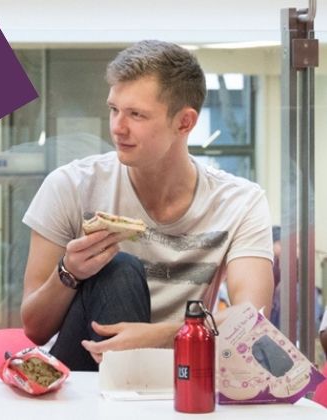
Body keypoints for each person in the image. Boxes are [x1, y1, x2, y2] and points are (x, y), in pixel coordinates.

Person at [20, 40, 274, 371]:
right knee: (118, 270)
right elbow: (35, 329)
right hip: (83, 369)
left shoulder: (240, 201)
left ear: (184, 122)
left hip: (179, 369)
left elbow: (251, 325)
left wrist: (159, 337)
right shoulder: (70, 185)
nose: (117, 127)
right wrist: (70, 271)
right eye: (114, 109)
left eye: (136, 114)